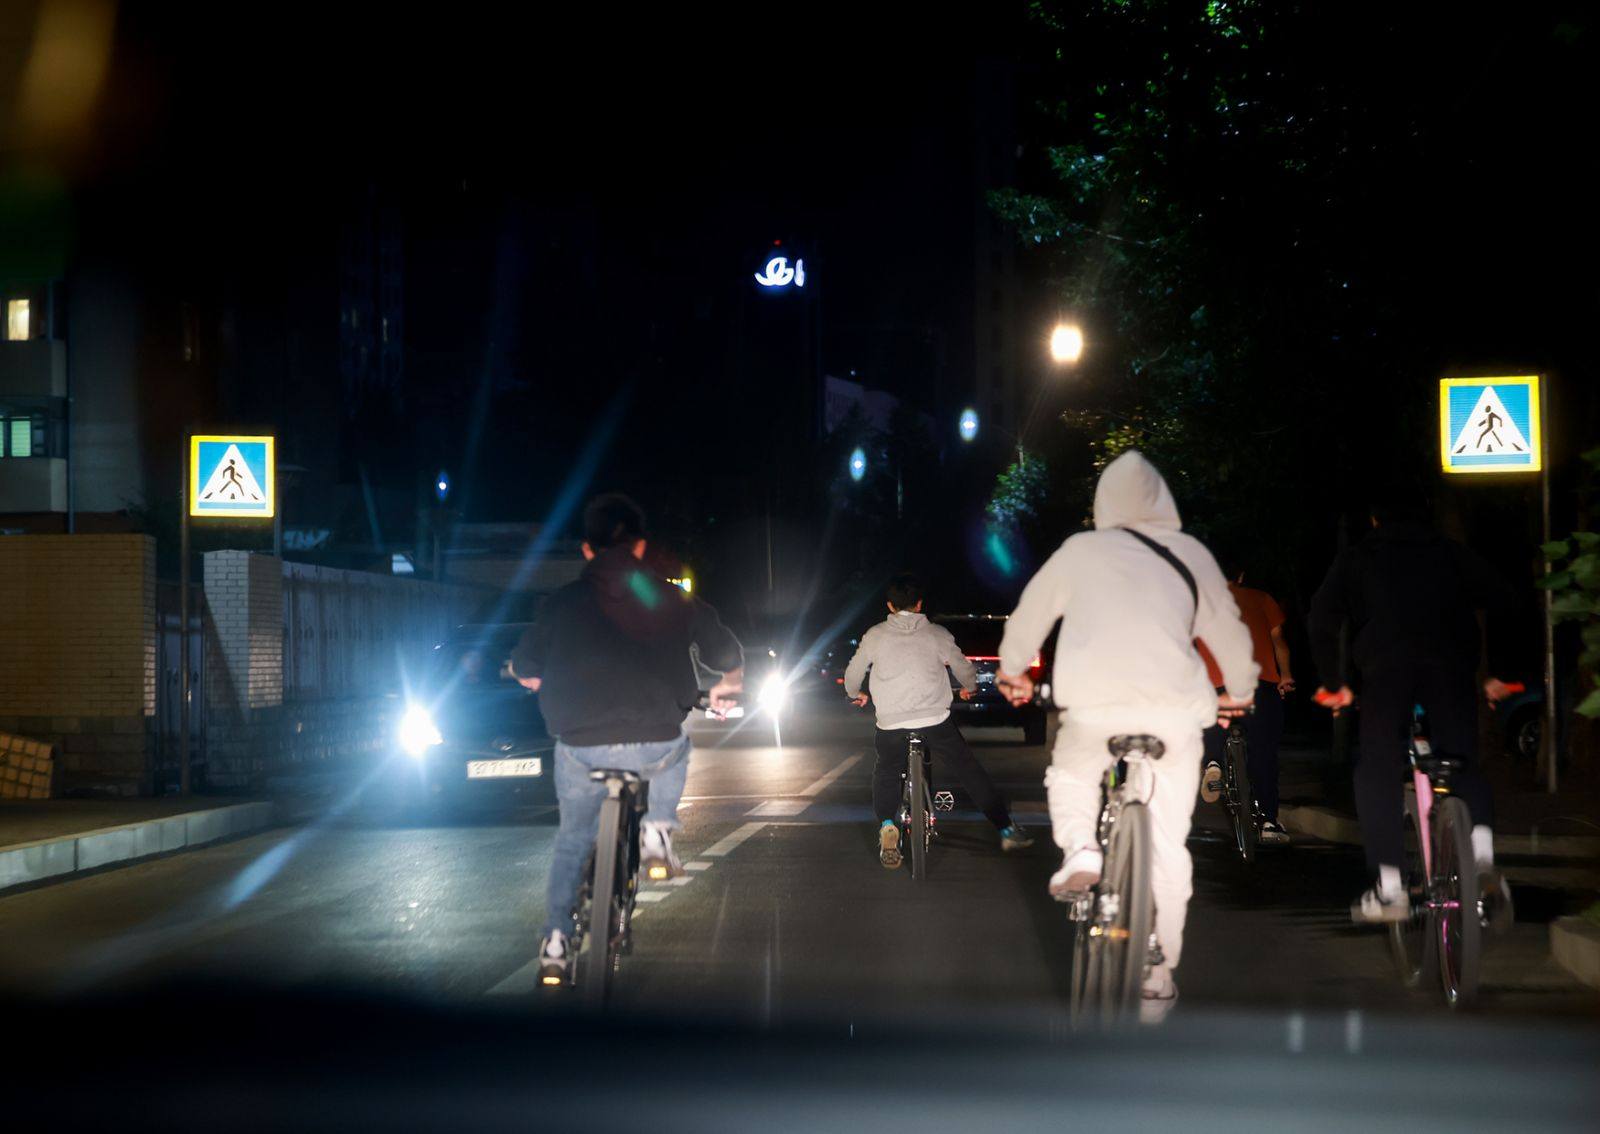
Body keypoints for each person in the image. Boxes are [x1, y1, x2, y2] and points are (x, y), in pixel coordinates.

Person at [995, 451, 1256, 1023]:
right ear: (1165, 502)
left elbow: (1029, 617)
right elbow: (1231, 635)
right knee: (1168, 845)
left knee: (1071, 774)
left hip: (1093, 704)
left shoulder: (1080, 550)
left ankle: (1082, 850)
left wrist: (1013, 672)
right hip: (1175, 711)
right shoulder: (1192, 554)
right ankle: (1158, 974)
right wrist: (1241, 691)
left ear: (1104, 504)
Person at [510, 493, 743, 982]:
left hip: (580, 745)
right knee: (677, 750)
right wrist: (728, 683)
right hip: (654, 737)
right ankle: (657, 830)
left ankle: (555, 943)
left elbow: (526, 666)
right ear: (639, 547)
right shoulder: (668, 596)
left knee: (573, 839)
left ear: (586, 549)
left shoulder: (561, 602)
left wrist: (534, 678)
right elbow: (724, 648)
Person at [1308, 494, 1516, 926]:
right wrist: (1505, 671)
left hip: (1386, 669)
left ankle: (1390, 888)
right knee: (1462, 758)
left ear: (1374, 518)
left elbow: (1321, 616)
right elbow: (1505, 599)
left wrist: (1334, 683)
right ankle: (1482, 859)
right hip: (1451, 666)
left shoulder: (1358, 557)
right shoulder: (1451, 553)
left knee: (1377, 766)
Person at [843, 572, 1034, 867]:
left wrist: (855, 693)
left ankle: (887, 825)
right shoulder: (936, 634)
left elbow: (854, 673)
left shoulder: (875, 635)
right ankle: (1006, 827)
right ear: (920, 604)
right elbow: (963, 667)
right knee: (967, 769)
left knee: (887, 769)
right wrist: (969, 688)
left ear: (890, 606)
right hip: (934, 719)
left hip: (892, 722)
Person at [1198, 573, 1296, 844]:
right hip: (1259, 685)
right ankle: (1268, 822)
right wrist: (1285, 675)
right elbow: (1279, 641)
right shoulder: (1262, 599)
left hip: (1217, 687)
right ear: (1240, 575)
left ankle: (1213, 762)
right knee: (1264, 753)